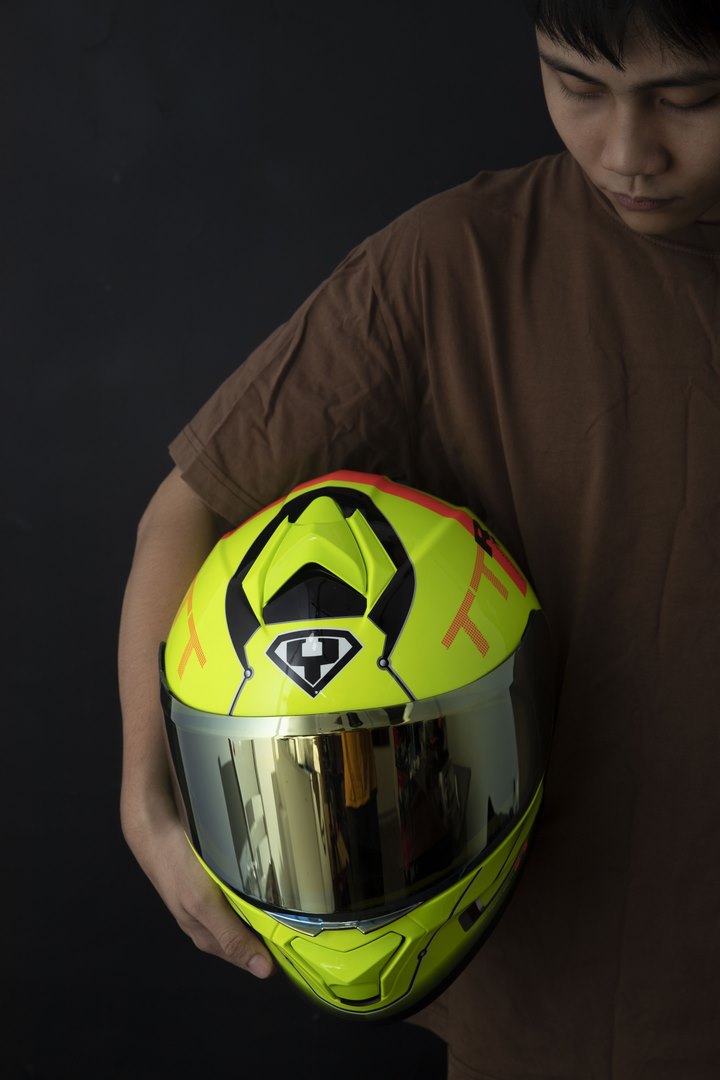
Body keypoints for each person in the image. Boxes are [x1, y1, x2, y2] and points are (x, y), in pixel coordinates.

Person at [118, 2, 720, 1076]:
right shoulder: (457, 264)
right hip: (540, 1000)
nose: (628, 152)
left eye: (689, 97)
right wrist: (148, 790)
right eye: (577, 85)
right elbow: (191, 506)